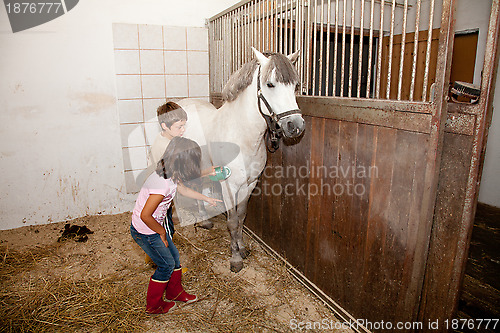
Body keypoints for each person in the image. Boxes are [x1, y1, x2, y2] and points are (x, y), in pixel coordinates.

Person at [131, 137, 221, 314]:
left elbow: (183, 189)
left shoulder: (171, 174)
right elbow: (145, 215)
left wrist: (206, 198)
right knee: (165, 265)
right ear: (184, 162)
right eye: (193, 161)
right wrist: (162, 233)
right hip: (147, 231)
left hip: (154, 227)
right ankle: (154, 306)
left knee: (174, 259)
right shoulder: (161, 184)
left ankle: (175, 292)